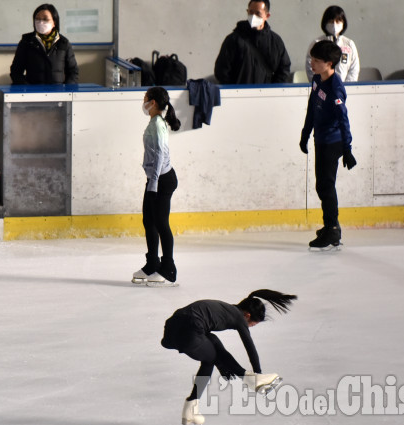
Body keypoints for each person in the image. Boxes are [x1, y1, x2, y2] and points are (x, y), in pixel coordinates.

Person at [161, 289, 297, 425]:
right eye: (252, 324)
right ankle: (251, 379)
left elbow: (213, 343)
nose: (249, 327)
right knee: (211, 355)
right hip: (190, 331)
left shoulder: (225, 310)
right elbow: (250, 346)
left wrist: (221, 365)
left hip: (172, 330)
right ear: (247, 315)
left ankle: (191, 407)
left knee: (212, 342)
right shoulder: (239, 317)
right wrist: (258, 372)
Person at [299, 40, 357, 249]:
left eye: (316, 60)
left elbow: (343, 119)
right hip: (320, 140)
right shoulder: (317, 80)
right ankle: (330, 225)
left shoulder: (335, 88)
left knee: (326, 185)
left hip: (333, 142)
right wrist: (305, 133)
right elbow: (312, 108)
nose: (311, 63)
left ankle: (332, 229)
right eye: (311, 58)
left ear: (329, 63)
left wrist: (347, 149)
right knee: (322, 185)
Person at [131, 87, 181, 287]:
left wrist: (153, 184)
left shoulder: (158, 125)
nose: (143, 101)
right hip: (155, 179)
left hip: (162, 180)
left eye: (144, 98)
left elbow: (161, 154)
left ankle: (168, 269)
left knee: (161, 222)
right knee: (148, 221)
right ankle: (152, 263)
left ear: (152, 103)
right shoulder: (154, 122)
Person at [214, 0, 291, 84]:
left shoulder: (275, 41)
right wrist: (233, 91)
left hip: (266, 95)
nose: (253, 16)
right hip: (238, 94)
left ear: (267, 16)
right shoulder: (233, 39)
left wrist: (272, 90)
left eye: (258, 13)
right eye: (250, 12)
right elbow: (221, 70)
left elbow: (284, 69)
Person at [10, 4, 79, 84]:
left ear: (54, 22)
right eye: (37, 19)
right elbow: (16, 72)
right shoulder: (27, 41)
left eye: (45, 19)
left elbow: (73, 71)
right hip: (33, 93)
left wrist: (66, 90)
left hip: (58, 93)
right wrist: (27, 89)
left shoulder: (63, 42)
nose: (41, 22)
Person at [305, 5, 360, 83]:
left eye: (338, 21)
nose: (334, 25)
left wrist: (347, 86)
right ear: (325, 23)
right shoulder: (317, 43)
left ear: (343, 23)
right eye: (331, 21)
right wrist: (319, 84)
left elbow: (354, 68)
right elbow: (310, 66)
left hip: (344, 87)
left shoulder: (349, 44)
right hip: (322, 87)